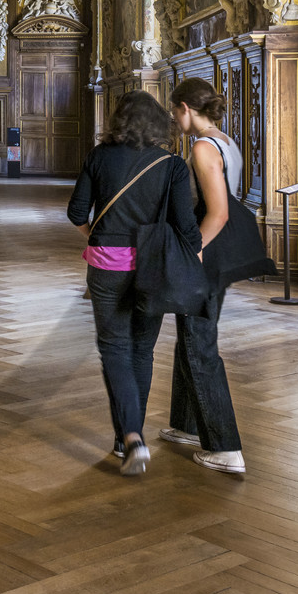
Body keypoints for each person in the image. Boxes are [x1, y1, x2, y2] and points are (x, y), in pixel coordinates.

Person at [67, 91, 202, 476]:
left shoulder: (99, 157)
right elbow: (186, 228)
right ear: (159, 122)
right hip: (153, 268)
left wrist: (97, 235)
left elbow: (76, 211)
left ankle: (129, 438)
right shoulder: (173, 165)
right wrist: (195, 264)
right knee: (142, 351)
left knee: (114, 349)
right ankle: (129, 436)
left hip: (107, 268)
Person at [163, 77, 274, 475]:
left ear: (185, 108)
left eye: (176, 112)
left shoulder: (203, 148)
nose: (175, 121)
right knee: (191, 335)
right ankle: (186, 424)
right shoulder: (227, 141)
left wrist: (192, 254)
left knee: (199, 342)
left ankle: (226, 447)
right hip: (219, 252)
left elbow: (218, 211)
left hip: (207, 253)